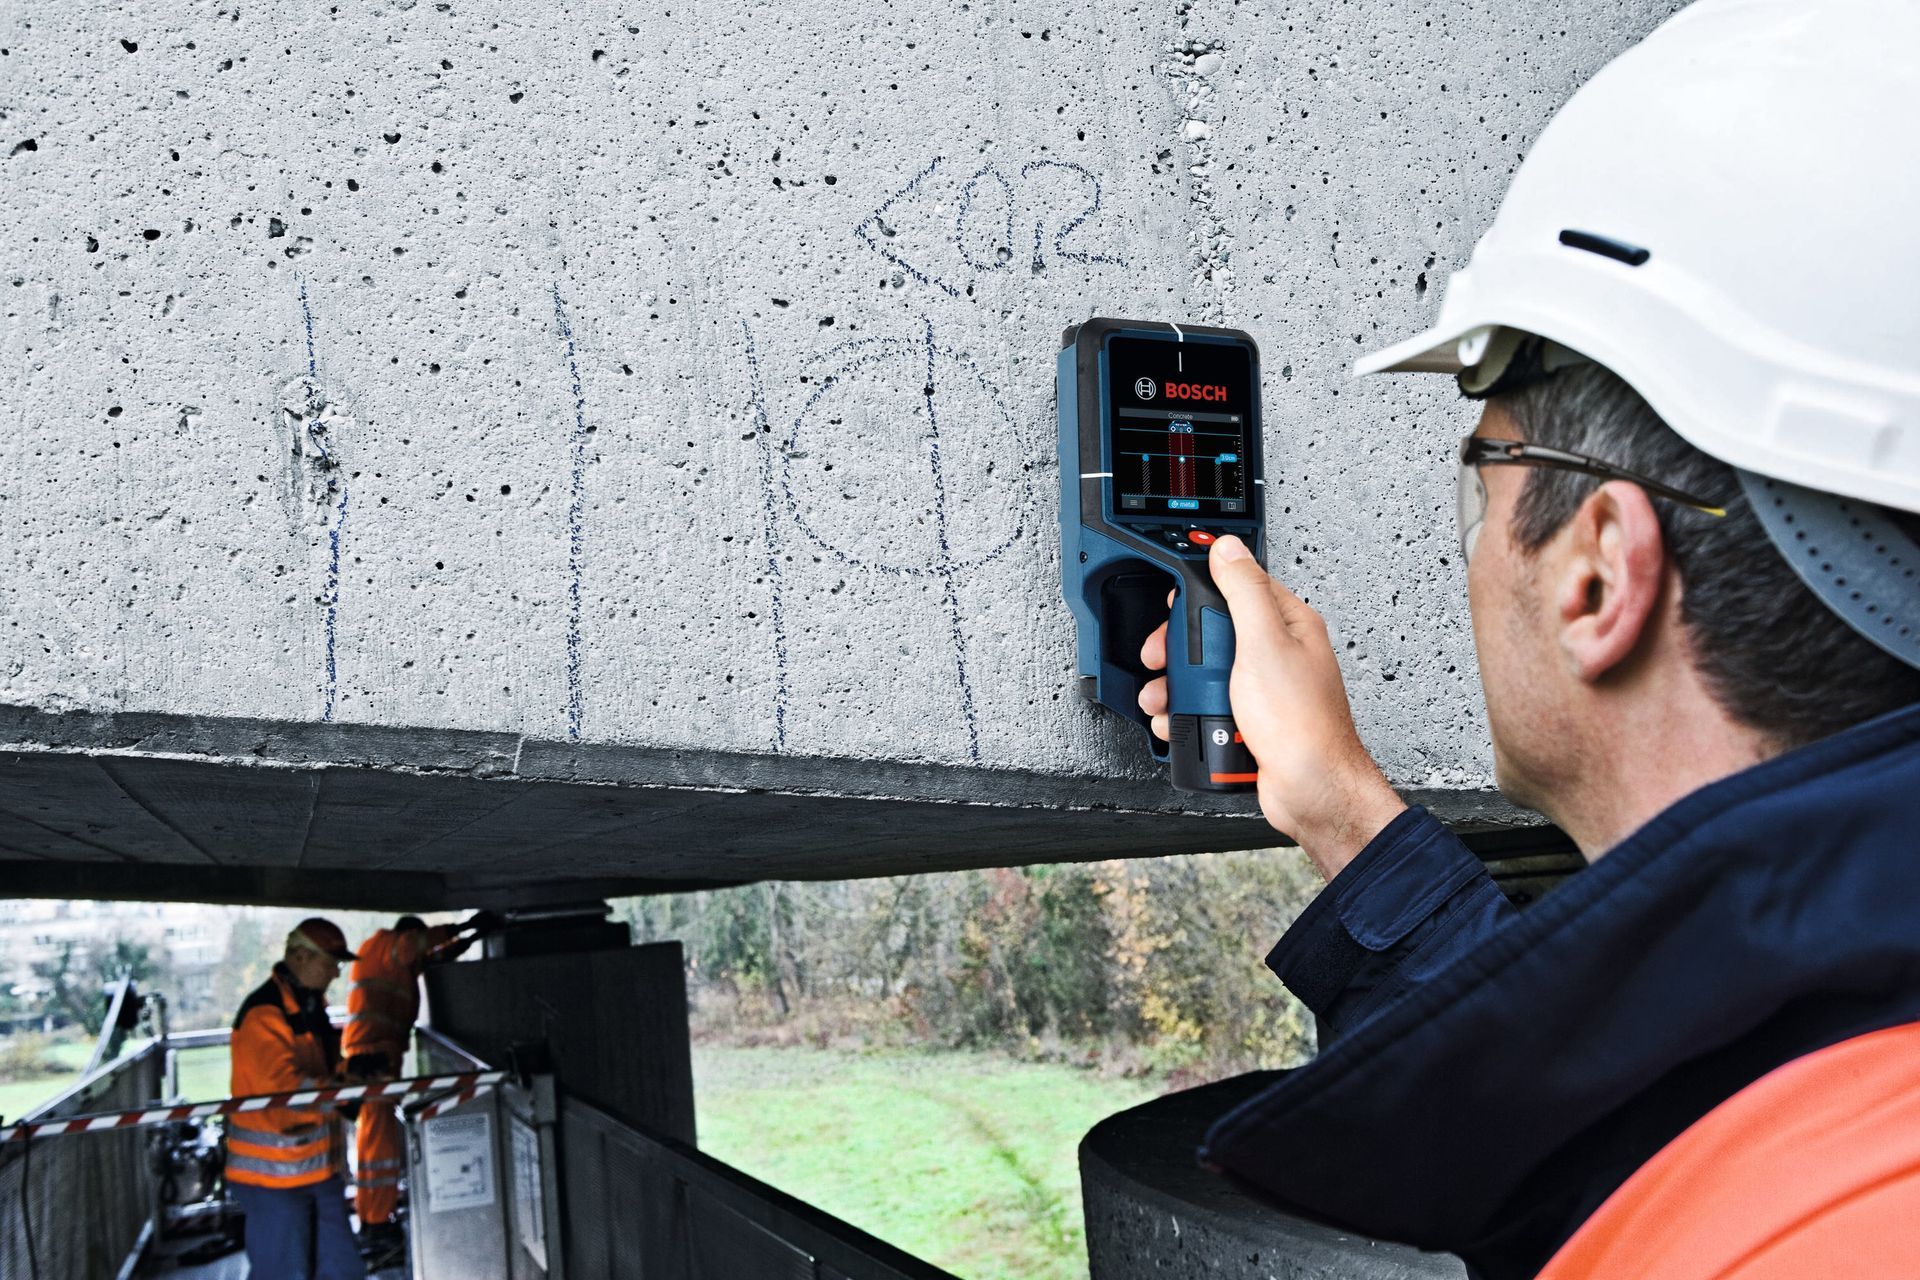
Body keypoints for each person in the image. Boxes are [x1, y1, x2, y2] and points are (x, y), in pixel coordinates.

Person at [1144, 2, 1920, 1276]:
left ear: (1599, 570)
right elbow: (1657, 1083)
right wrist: (1347, 816)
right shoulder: (1834, 1083)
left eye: (1487, 480)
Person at [227, 918, 367, 1280]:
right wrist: (341, 1091)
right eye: (330, 963)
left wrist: (354, 1074)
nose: (336, 974)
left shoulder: (307, 1007)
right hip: (275, 1178)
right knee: (284, 1272)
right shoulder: (265, 1013)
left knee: (342, 1270)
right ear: (300, 956)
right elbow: (282, 1092)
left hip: (317, 1169)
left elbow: (321, 1073)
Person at [341, 913, 479, 1248]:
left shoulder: (393, 959)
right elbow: (418, 946)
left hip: (375, 1054)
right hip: (371, 1056)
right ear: (409, 934)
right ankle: (375, 1221)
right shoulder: (387, 945)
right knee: (379, 1143)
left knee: (377, 1137)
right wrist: (461, 926)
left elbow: (431, 956)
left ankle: (376, 1216)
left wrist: (470, 939)